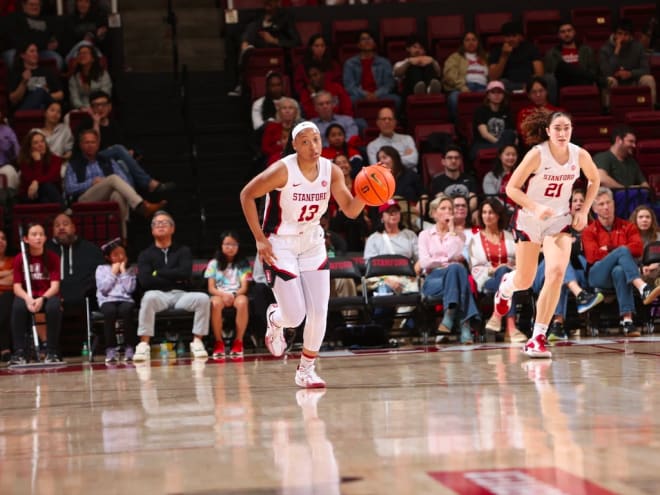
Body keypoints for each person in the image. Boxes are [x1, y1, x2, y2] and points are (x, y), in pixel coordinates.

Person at [240, 121, 366, 388]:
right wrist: (259, 240)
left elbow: (351, 210)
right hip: (280, 244)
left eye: (316, 139)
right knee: (295, 316)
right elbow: (246, 195)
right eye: (305, 141)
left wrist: (368, 192)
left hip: (312, 243)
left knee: (319, 310)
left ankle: (306, 370)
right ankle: (275, 319)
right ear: (295, 145)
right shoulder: (282, 170)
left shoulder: (331, 171)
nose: (313, 146)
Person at [487, 111, 601, 359]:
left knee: (557, 274)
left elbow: (594, 179)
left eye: (567, 128)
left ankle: (537, 336)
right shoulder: (537, 154)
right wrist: (536, 207)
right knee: (525, 281)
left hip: (559, 220)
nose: (562, 133)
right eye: (557, 128)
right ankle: (506, 287)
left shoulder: (579, 154)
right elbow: (512, 188)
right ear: (548, 131)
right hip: (530, 219)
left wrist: (584, 209)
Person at [133, 210, 210, 361]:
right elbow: (146, 281)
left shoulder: (183, 251)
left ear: (172, 228)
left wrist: (158, 272)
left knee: (203, 298)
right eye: (156, 223)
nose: (160, 225)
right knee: (148, 298)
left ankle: (197, 341)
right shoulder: (145, 254)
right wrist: (174, 276)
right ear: (152, 230)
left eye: (164, 223)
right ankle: (144, 344)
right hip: (157, 295)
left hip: (181, 294)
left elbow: (185, 274)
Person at [582, 187, 660, 337]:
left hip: (619, 274)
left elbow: (637, 249)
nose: (606, 207)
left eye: (608, 203)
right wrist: (618, 251)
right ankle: (642, 287)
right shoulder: (589, 231)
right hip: (597, 275)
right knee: (623, 251)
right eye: (601, 204)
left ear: (614, 204)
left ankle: (627, 321)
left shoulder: (628, 226)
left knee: (619, 271)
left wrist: (609, 249)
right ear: (594, 209)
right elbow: (592, 256)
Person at [64, 129, 166, 239]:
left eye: (93, 142)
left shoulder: (107, 161)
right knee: (112, 179)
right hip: (84, 199)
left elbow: (124, 181)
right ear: (80, 145)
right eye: (86, 142)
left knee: (118, 195)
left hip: (108, 195)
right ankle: (141, 205)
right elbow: (69, 188)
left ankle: (121, 240)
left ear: (98, 144)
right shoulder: (73, 164)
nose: (90, 145)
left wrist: (107, 184)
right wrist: (91, 183)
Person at [531, 188, 604, 340]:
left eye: (581, 201)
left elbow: (594, 254)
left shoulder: (592, 227)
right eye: (574, 201)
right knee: (559, 263)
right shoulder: (554, 224)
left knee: (561, 270)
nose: (578, 204)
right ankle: (580, 295)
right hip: (544, 271)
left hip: (578, 272)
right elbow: (537, 249)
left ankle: (558, 325)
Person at [77, 91, 175, 195]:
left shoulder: (115, 124)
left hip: (114, 161)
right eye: (96, 105)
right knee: (118, 149)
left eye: (103, 105)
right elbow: (93, 148)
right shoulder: (86, 124)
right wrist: (96, 123)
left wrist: (130, 151)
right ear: (91, 108)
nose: (100, 108)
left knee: (122, 163)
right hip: (95, 159)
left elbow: (126, 142)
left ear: (109, 107)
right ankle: (149, 183)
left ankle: (135, 201)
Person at [419, 195, 479, 344]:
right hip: (434, 279)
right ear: (434, 213)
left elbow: (454, 254)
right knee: (456, 268)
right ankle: (464, 325)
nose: (448, 212)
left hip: (453, 276)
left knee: (455, 269)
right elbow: (425, 262)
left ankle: (450, 315)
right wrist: (445, 262)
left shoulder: (460, 235)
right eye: (443, 208)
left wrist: (452, 230)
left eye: (450, 209)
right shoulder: (425, 235)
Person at [466, 198, 523, 342]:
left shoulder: (509, 236)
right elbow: (474, 267)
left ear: (498, 215)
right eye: (484, 212)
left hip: (511, 276)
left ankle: (496, 317)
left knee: (506, 277)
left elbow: (520, 260)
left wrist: (510, 267)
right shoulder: (475, 239)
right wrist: (494, 270)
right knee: (505, 277)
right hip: (488, 280)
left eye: (491, 212)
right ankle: (510, 328)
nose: (487, 216)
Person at [10, 222, 63, 365]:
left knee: (54, 306)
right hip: (28, 296)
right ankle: (19, 352)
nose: (38, 238)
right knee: (18, 306)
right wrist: (28, 298)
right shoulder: (20, 258)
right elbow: (16, 287)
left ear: (46, 238)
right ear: (26, 239)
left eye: (41, 234)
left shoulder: (53, 258)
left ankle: (52, 351)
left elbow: (55, 286)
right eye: (34, 234)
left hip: (47, 295)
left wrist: (42, 298)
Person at [228, 0, 300, 96]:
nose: (267, 2)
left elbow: (296, 42)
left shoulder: (285, 17)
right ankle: (245, 47)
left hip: (273, 50)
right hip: (256, 47)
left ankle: (241, 81)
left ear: (278, 2)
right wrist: (245, 41)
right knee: (251, 27)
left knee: (250, 34)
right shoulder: (259, 15)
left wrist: (274, 40)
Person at [204, 231, 251, 359]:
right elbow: (211, 288)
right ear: (221, 245)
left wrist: (233, 295)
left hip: (236, 294)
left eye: (234, 244)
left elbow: (244, 287)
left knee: (242, 302)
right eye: (227, 244)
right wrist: (223, 295)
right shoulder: (213, 264)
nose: (230, 247)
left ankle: (238, 341)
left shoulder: (243, 263)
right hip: (219, 294)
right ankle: (219, 342)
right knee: (215, 303)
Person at [47, 212, 105, 309]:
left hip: (85, 299)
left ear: (73, 228)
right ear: (53, 231)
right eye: (57, 225)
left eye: (65, 224)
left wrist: (80, 293)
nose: (61, 227)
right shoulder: (44, 250)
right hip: (52, 299)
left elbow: (100, 275)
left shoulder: (90, 249)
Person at [592, 126, 650, 218]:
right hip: (612, 201)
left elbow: (645, 186)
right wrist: (626, 189)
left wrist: (631, 191)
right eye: (630, 141)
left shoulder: (632, 162)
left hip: (633, 201)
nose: (634, 145)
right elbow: (602, 179)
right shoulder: (602, 157)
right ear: (619, 140)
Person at [95, 238, 137, 363]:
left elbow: (130, 289)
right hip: (107, 300)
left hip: (125, 300)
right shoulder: (101, 269)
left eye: (122, 254)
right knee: (110, 312)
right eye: (115, 255)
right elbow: (103, 289)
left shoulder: (130, 270)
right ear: (108, 257)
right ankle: (110, 348)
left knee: (127, 310)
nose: (120, 257)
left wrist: (123, 272)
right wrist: (113, 272)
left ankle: (130, 347)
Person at [599, 18, 656, 107]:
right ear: (614, 34)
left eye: (626, 34)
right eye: (619, 34)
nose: (622, 37)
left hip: (634, 80)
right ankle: (608, 111)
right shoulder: (605, 49)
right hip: (616, 81)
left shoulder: (638, 47)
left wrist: (630, 73)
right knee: (608, 81)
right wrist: (617, 50)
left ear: (631, 36)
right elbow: (606, 72)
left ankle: (651, 110)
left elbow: (646, 69)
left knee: (649, 79)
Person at [1, 0, 64, 70]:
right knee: (11, 57)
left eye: (37, 5)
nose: (35, 7)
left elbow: (51, 38)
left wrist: (53, 42)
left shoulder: (47, 20)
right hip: (19, 51)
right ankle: (19, 80)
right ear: (24, 5)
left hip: (40, 51)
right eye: (31, 4)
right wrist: (42, 43)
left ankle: (48, 80)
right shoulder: (14, 18)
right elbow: (16, 39)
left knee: (56, 58)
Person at [342, 30, 399, 108]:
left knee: (396, 99)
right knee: (348, 101)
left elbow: (389, 84)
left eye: (369, 39)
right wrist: (365, 94)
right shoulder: (350, 63)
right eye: (363, 39)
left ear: (374, 43)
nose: (367, 41)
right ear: (358, 44)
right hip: (359, 96)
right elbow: (349, 86)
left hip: (380, 95)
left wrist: (376, 94)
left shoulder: (384, 62)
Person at [488, 21, 545, 94]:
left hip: (528, 83)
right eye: (508, 36)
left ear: (520, 37)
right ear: (503, 38)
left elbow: (539, 73)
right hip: (508, 84)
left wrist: (530, 84)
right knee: (500, 84)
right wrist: (504, 56)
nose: (511, 39)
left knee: (549, 79)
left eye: (514, 35)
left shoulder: (531, 48)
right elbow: (493, 78)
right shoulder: (496, 51)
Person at [443, 31, 489, 121]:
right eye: (467, 40)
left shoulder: (486, 57)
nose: (471, 42)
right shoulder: (455, 57)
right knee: (453, 99)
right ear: (463, 43)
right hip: (463, 86)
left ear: (478, 42)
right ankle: (458, 128)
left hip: (483, 87)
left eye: (473, 40)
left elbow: (493, 75)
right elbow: (449, 74)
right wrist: (461, 86)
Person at [8, 42, 63, 110]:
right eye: (32, 51)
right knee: (39, 90)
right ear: (23, 55)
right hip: (25, 110)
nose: (36, 54)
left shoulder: (47, 71)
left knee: (41, 92)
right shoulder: (17, 73)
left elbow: (60, 94)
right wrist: (23, 82)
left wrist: (44, 95)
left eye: (36, 51)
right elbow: (13, 100)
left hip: (46, 108)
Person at [544, 21, 599, 89]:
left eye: (569, 30)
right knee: (562, 66)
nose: (567, 34)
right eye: (563, 32)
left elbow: (593, 71)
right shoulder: (552, 54)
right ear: (558, 35)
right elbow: (552, 74)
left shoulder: (587, 50)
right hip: (563, 85)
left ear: (574, 32)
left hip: (583, 82)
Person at [470, 80, 517, 160]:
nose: (497, 95)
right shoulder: (481, 111)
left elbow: (512, 133)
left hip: (504, 145)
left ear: (503, 95)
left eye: (500, 92)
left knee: (510, 134)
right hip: (484, 144)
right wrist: (502, 146)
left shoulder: (507, 111)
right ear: (488, 95)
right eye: (493, 92)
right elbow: (484, 134)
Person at [428, 145, 478, 216]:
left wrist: (462, 214)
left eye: (456, 158)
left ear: (460, 161)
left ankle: (475, 228)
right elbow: (441, 203)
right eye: (449, 158)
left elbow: (473, 202)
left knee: (477, 216)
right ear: (443, 161)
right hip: (446, 215)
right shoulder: (437, 181)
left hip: (466, 215)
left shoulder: (470, 179)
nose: (453, 160)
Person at [17, 129, 64, 205]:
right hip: (30, 196)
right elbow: (29, 181)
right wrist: (38, 162)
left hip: (51, 195)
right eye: (36, 143)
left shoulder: (56, 160)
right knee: (43, 187)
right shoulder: (24, 162)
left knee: (46, 188)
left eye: (42, 141)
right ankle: (63, 211)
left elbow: (52, 177)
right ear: (30, 148)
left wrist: (36, 182)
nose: (40, 145)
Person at [366, 107, 418, 172]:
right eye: (383, 119)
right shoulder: (372, 146)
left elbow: (414, 160)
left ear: (395, 122)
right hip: (386, 180)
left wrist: (386, 161)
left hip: (409, 178)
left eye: (390, 119)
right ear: (378, 123)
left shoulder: (407, 139)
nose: (387, 121)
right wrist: (402, 156)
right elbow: (377, 168)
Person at [516, 77, 562, 150]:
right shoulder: (524, 113)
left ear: (546, 91)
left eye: (541, 91)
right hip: (532, 149)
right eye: (534, 92)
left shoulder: (558, 112)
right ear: (529, 95)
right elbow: (524, 136)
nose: (538, 94)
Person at [293, 34, 342, 98]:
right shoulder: (302, 65)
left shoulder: (333, 64)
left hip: (331, 96)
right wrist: (310, 93)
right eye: (316, 46)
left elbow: (338, 83)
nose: (320, 48)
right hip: (310, 96)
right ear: (311, 47)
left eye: (322, 46)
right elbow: (299, 86)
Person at [68, 43, 112, 110]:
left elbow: (105, 93)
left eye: (85, 53)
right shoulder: (74, 77)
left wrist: (94, 107)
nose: (82, 55)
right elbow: (74, 97)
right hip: (81, 108)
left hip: (100, 107)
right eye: (80, 53)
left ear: (93, 58)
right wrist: (81, 107)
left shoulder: (103, 74)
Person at [261, 97, 302, 166]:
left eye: (290, 108)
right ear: (279, 111)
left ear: (296, 112)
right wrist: (281, 148)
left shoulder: (301, 127)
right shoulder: (271, 127)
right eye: (284, 108)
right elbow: (265, 148)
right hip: (275, 159)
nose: (287, 111)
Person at [0, 229, 14, 362]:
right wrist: (6, 274)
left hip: (8, 296)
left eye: (3, 238)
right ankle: (4, 349)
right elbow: (8, 278)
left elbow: (13, 280)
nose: (1, 241)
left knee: (6, 298)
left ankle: (5, 349)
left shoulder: (13, 260)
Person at [0, 109, 20, 193]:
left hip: (3, 166)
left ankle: (8, 204)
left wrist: (3, 143)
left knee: (9, 171)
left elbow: (17, 153)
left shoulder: (7, 131)